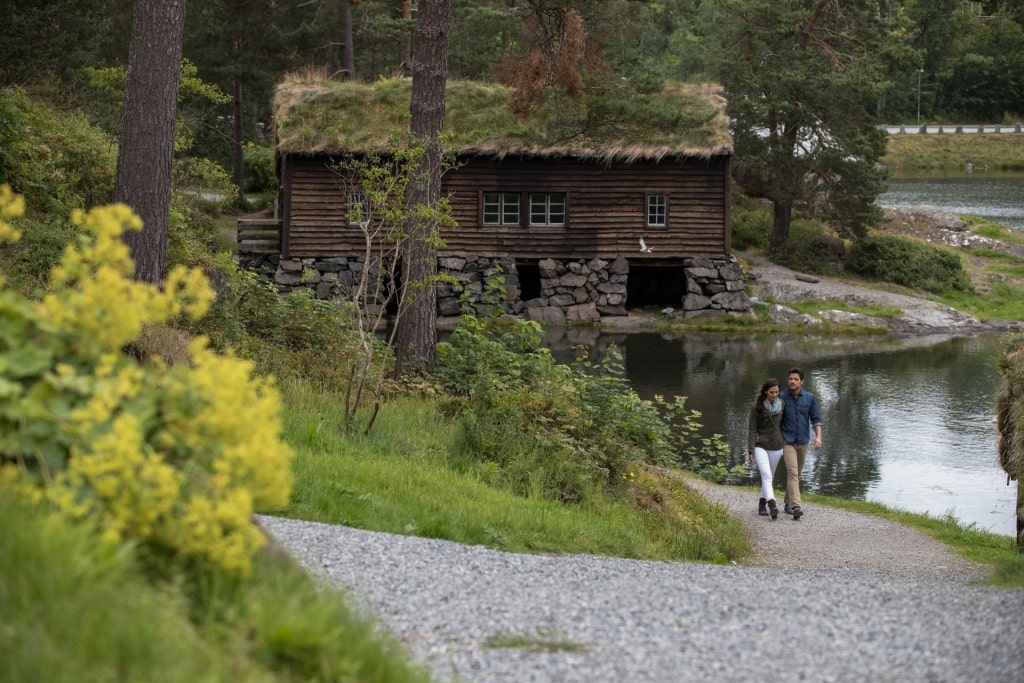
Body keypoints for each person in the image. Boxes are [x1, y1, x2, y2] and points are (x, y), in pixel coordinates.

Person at [779, 367, 823, 521]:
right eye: (790, 378)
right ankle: (796, 506)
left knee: (797, 473)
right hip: (787, 440)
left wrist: (818, 437)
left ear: (802, 381)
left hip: (803, 441)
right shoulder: (781, 396)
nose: (792, 381)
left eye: (796, 379)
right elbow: (774, 417)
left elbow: (816, 419)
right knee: (792, 472)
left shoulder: (809, 398)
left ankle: (786, 502)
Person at [747, 378, 785, 519]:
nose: (774, 395)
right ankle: (772, 504)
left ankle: (761, 504)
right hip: (760, 445)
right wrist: (750, 449)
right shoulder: (757, 407)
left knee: (769, 477)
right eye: (771, 392)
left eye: (777, 392)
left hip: (777, 446)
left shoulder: (782, 405)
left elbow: (786, 424)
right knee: (767, 475)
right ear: (765, 392)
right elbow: (752, 429)